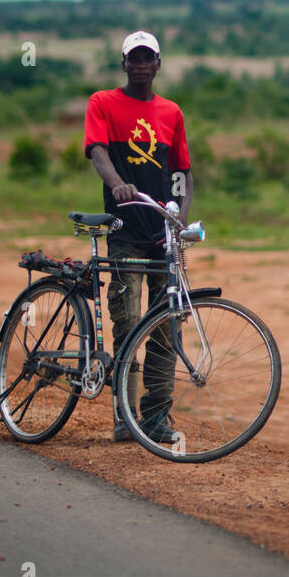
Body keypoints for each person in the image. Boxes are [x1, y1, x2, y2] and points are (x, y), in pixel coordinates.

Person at [84, 30, 192, 444]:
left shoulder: (171, 113)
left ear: (159, 65)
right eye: (135, 59)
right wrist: (117, 185)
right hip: (125, 229)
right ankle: (124, 416)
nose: (142, 65)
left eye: (149, 59)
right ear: (124, 64)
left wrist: (180, 216)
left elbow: (182, 170)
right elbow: (97, 151)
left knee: (167, 325)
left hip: (162, 232)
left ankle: (156, 418)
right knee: (128, 320)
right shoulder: (103, 103)